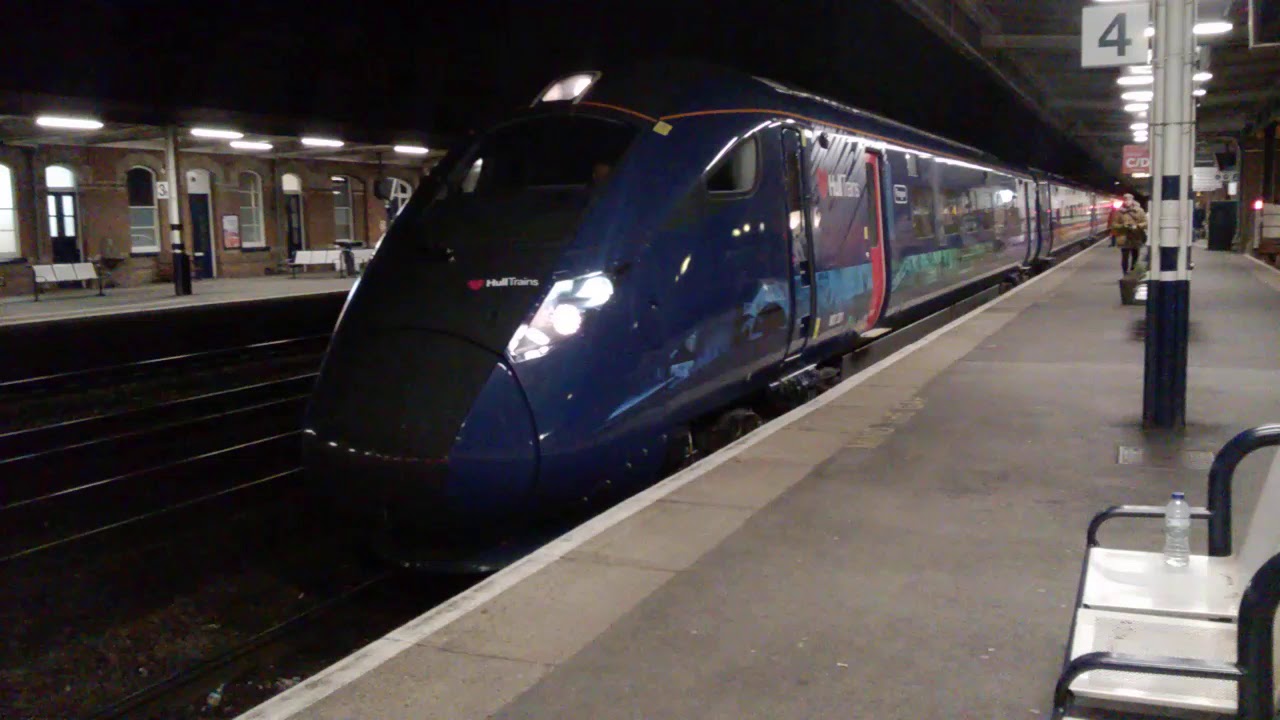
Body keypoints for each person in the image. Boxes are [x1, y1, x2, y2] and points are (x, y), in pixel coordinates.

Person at [1111, 193, 1148, 275]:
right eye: (1125, 200)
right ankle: (1125, 273)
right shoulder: (1119, 212)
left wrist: (1137, 226)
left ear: (1132, 200)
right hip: (1124, 237)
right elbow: (1113, 225)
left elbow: (1146, 223)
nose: (1127, 202)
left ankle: (1132, 271)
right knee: (1125, 257)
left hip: (1136, 236)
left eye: (1129, 200)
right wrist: (1123, 226)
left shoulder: (1139, 211)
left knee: (1135, 256)